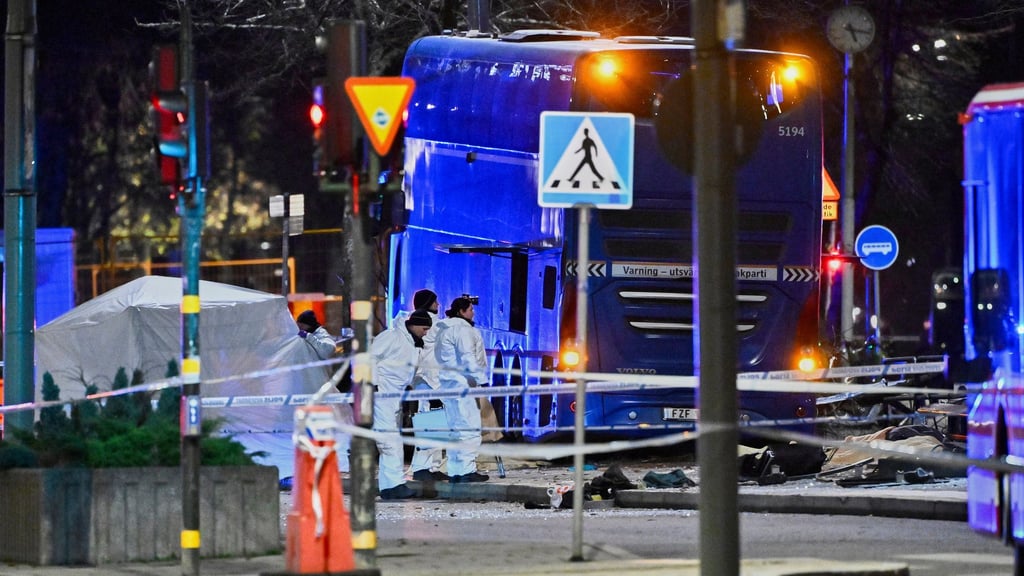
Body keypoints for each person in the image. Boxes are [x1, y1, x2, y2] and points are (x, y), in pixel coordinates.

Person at [370, 309, 433, 499]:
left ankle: (391, 486)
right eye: (424, 328)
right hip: (382, 394)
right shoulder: (391, 337)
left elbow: (412, 372)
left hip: (393, 397)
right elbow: (369, 357)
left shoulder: (413, 344)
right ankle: (393, 485)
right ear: (414, 325)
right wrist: (372, 385)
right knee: (389, 441)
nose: (426, 332)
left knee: (391, 439)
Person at [433, 296, 489, 483]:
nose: (473, 313)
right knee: (469, 428)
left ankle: (456, 470)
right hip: (465, 384)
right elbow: (468, 358)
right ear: (461, 311)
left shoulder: (444, 329)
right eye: (471, 309)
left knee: (455, 429)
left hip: (448, 384)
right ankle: (466, 470)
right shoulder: (463, 330)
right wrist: (483, 381)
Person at [405, 289, 449, 482]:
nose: (438, 305)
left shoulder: (414, 323)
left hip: (423, 381)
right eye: (435, 302)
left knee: (430, 423)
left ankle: (429, 467)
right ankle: (425, 467)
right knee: (432, 424)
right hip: (432, 381)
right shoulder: (433, 325)